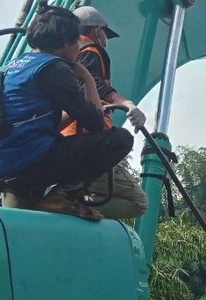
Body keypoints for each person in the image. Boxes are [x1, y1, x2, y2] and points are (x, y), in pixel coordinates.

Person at [0, 4, 133, 220]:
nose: (78, 47)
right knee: (120, 139)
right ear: (66, 41)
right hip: (21, 166)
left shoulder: (11, 66)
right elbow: (95, 122)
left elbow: (26, 120)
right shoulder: (53, 68)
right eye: (77, 41)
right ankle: (62, 195)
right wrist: (86, 78)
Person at [60, 5, 147, 220]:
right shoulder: (90, 50)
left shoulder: (61, 55)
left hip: (63, 136)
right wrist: (126, 103)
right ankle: (67, 204)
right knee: (138, 203)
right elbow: (96, 86)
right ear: (97, 30)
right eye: (104, 34)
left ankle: (70, 200)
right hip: (89, 141)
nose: (105, 40)